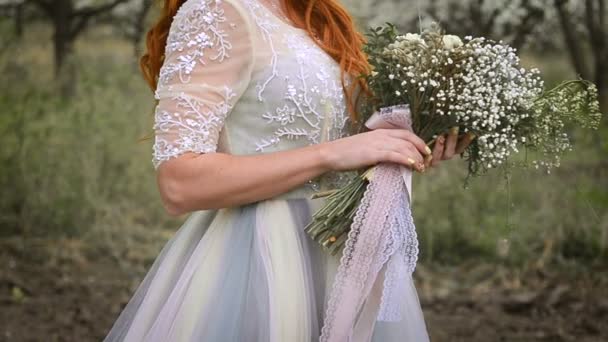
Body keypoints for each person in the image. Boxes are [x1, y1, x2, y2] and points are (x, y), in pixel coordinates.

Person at [103, 0, 474, 341]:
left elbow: (344, 140)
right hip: (259, 257)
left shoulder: (319, 15)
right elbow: (179, 183)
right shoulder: (216, 12)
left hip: (345, 251)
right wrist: (331, 154)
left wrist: (409, 141)